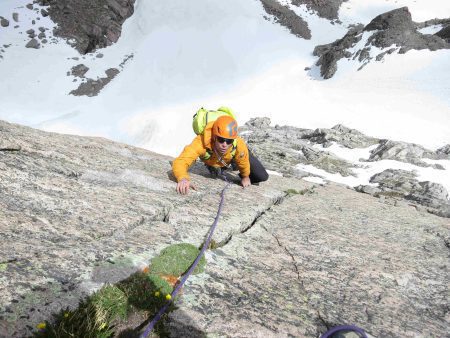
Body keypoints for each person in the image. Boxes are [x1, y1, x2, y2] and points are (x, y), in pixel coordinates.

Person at [172, 115, 268, 194]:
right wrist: (183, 178)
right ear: (214, 136)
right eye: (221, 140)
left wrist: (245, 176)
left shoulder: (238, 144)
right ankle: (213, 165)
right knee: (216, 168)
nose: (224, 145)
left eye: (229, 141)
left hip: (231, 158)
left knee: (262, 176)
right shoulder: (201, 142)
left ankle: (227, 165)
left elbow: (243, 161)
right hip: (215, 158)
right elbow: (181, 161)